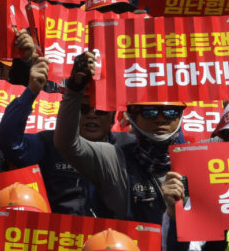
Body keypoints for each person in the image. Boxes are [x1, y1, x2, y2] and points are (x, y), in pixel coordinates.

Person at [54, 51, 185, 224]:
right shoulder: (114, 158)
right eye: (150, 111)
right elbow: (67, 144)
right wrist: (74, 90)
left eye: (170, 112)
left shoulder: (198, 161)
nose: (160, 118)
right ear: (132, 115)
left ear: (181, 115)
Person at [0, 56, 133, 215]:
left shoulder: (126, 149)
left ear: (113, 117)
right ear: (69, 112)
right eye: (84, 109)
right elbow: (7, 141)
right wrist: (31, 92)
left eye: (100, 110)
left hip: (111, 237)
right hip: (61, 236)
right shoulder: (49, 143)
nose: (92, 115)